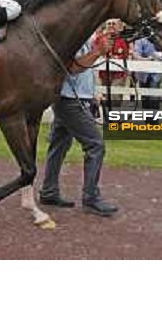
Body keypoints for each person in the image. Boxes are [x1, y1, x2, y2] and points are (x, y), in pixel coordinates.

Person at [39, 34, 119, 218]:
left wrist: (91, 93)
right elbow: (72, 68)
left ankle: (49, 191)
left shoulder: (82, 38)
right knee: (95, 145)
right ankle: (90, 197)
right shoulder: (71, 39)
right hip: (70, 101)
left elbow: (84, 71)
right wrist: (98, 51)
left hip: (70, 98)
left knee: (58, 145)